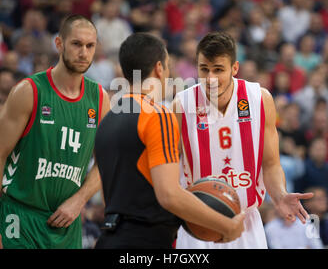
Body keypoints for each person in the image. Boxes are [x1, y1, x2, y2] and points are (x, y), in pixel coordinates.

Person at [94, 32, 245, 249]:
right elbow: (169, 196)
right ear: (158, 68)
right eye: (167, 66)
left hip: (109, 237)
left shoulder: (107, 121)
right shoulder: (158, 115)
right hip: (144, 242)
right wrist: (226, 226)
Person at [171, 31, 314, 249]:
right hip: (198, 223)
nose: (210, 79)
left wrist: (280, 195)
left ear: (235, 68)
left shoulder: (260, 99)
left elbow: (271, 164)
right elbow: (170, 171)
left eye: (218, 70)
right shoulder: (181, 105)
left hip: (245, 220)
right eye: (204, 69)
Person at [0, 14, 110, 249]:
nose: (83, 53)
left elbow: (106, 163)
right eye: (76, 44)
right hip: (19, 218)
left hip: (66, 223)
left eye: (90, 46)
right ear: (59, 44)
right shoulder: (28, 91)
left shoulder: (100, 99)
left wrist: (79, 201)